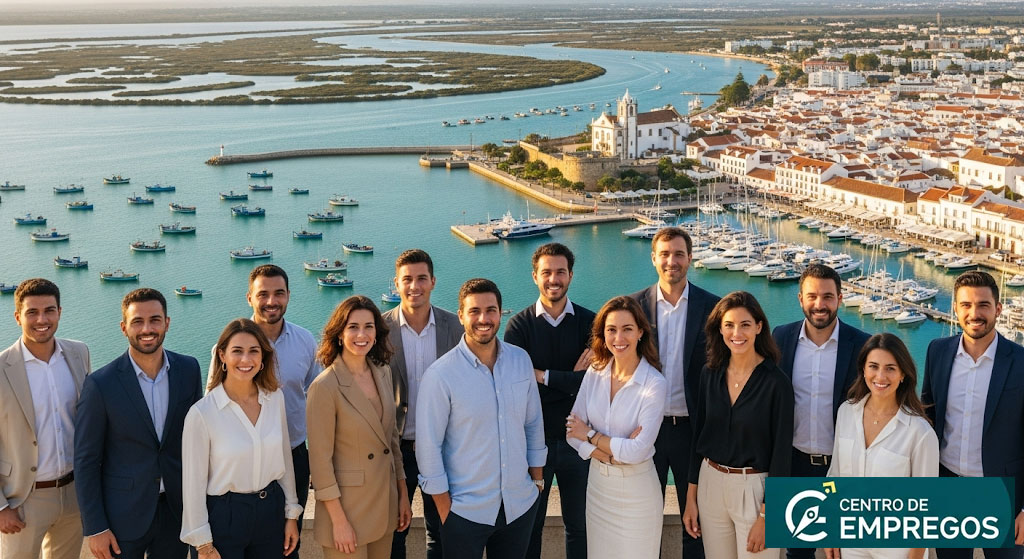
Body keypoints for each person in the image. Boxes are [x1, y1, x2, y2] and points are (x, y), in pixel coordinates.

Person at [416, 278, 546, 559]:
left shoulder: (520, 360)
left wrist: (536, 483)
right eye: (474, 311)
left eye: (491, 310)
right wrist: (445, 510)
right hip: (464, 513)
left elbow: (533, 422)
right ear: (461, 315)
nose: (483, 319)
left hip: (519, 506)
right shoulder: (440, 375)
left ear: (501, 313)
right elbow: (428, 447)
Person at [75, 288, 203, 559]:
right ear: (124, 327)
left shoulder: (189, 370)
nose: (147, 328)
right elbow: (86, 460)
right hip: (122, 515)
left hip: (176, 512)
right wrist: (95, 527)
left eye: (155, 319)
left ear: (167, 323)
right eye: (137, 322)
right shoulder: (100, 384)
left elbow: (198, 441)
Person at [210, 264, 318, 559]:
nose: (272, 301)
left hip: (293, 456)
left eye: (279, 293)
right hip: (239, 461)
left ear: (288, 296)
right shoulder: (228, 346)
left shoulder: (306, 341)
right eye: (263, 294)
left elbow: (319, 397)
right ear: (249, 298)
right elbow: (212, 404)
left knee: (286, 546)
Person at [921, 270, 1024, 559]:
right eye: (966, 305)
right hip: (948, 489)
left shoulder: (1021, 362)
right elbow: (926, 416)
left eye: (983, 305)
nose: (974, 313)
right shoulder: (937, 351)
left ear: (998, 309)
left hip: (1003, 495)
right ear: (955, 308)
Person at [683, 291, 793, 559]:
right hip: (711, 484)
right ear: (720, 329)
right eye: (729, 325)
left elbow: (781, 455)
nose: (737, 333)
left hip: (755, 491)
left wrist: (768, 516)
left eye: (745, 324)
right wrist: (690, 498)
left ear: (758, 327)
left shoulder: (776, 383)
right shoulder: (709, 374)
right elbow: (699, 436)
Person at [630, 226, 718, 559]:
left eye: (679, 254)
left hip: (692, 430)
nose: (672, 261)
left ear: (690, 258)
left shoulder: (713, 309)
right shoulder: (633, 306)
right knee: (642, 517)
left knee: (695, 522)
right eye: (664, 254)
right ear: (654, 258)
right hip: (644, 431)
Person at [182, 318, 302, 559]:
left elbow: (284, 460)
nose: (246, 360)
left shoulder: (275, 398)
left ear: (263, 357)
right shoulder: (202, 413)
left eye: (253, 351)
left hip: (271, 512)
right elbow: (193, 484)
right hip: (224, 518)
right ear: (222, 356)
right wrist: (203, 544)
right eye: (237, 351)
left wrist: (291, 513)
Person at [772, 264, 870, 559]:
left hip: (841, 470)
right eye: (812, 296)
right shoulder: (781, 337)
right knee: (796, 552)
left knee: (842, 552)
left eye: (827, 297)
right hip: (794, 465)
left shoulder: (862, 344)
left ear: (840, 299)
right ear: (800, 298)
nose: (819, 304)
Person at [505, 243, 596, 559]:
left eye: (560, 272)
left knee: (580, 529)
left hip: (578, 443)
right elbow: (519, 387)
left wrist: (541, 376)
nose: (553, 279)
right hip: (533, 445)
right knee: (530, 527)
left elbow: (592, 384)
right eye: (547, 272)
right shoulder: (518, 326)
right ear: (535, 277)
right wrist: (570, 381)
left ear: (570, 275)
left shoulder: (590, 323)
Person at [307, 295, 411, 558]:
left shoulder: (383, 371)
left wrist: (402, 493)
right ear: (339, 334)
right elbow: (320, 463)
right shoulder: (324, 386)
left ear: (377, 333)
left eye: (369, 326)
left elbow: (391, 441)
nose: (361, 334)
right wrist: (338, 522)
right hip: (345, 512)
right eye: (353, 327)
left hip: (384, 504)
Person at [565, 296, 667, 559]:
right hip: (598, 487)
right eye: (611, 329)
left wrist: (589, 434)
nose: (618, 337)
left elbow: (637, 451)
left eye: (627, 329)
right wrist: (608, 454)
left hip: (638, 492)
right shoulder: (595, 372)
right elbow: (570, 431)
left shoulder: (654, 383)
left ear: (641, 332)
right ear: (603, 334)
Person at [823, 333, 938, 559]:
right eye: (873, 366)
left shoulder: (920, 432)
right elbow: (834, 477)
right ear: (863, 370)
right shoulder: (846, 412)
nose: (880, 376)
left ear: (903, 374)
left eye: (890, 368)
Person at [0, 279, 91, 559]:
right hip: (24, 498)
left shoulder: (79, 353)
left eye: (49, 310)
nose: (42, 319)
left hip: (74, 492)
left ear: (60, 312)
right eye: (32, 312)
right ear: (18, 317)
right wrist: (1, 507)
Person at [383, 249, 462, 559]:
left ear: (433, 281)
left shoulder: (455, 327)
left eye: (421, 279)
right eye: (407, 279)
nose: (414, 286)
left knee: (441, 533)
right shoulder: (377, 329)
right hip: (394, 448)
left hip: (442, 447)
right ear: (396, 283)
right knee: (393, 533)